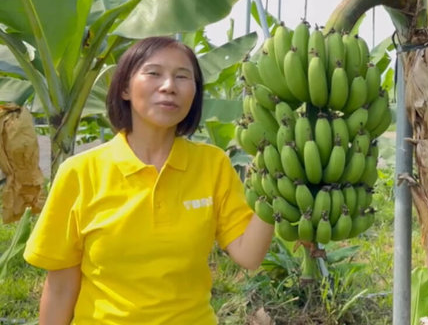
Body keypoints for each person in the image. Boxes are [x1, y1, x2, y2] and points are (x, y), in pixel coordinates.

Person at [23, 36, 274, 324]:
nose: (169, 86)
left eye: (182, 76)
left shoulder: (212, 164)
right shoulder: (81, 172)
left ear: (195, 93)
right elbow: (61, 287)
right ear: (125, 88)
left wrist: (280, 180)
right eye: (154, 73)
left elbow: (249, 255)